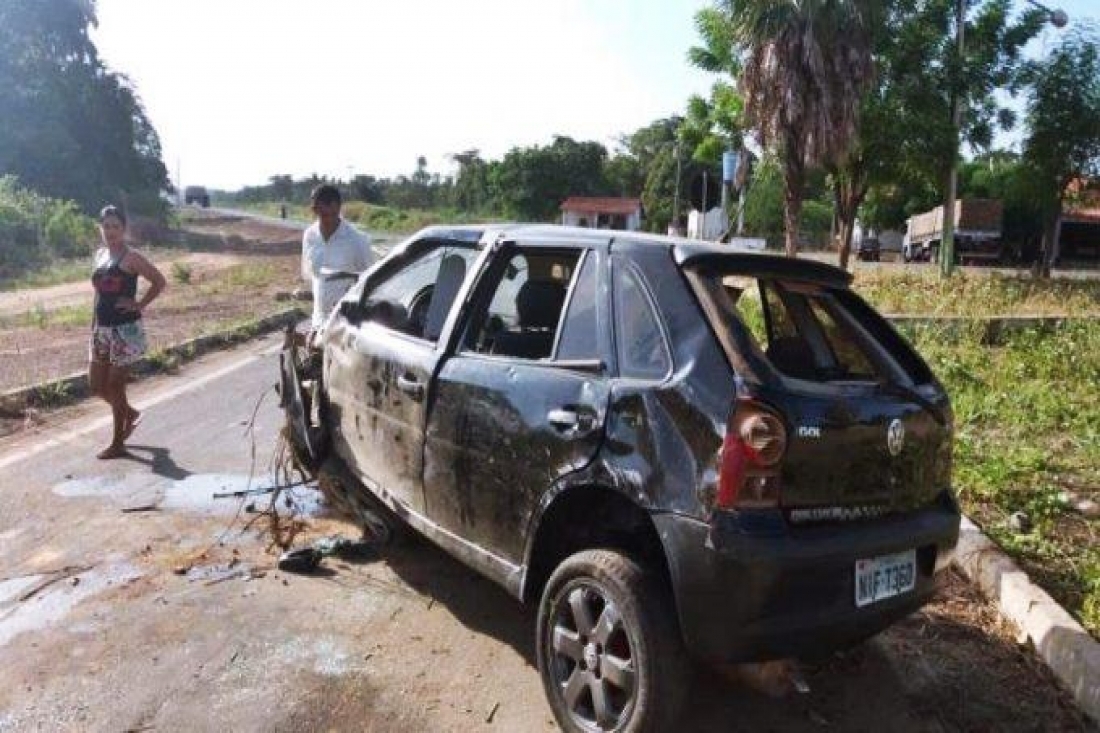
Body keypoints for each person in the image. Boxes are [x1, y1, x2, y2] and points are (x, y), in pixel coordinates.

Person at [88, 205, 166, 459]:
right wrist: (93, 323)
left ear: (123, 229)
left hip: (125, 331)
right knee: (96, 386)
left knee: (115, 385)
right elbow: (99, 293)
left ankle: (118, 443)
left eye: (115, 226)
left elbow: (159, 281)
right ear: (101, 228)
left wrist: (139, 304)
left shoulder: (131, 257)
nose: (110, 231)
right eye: (106, 226)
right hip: (101, 329)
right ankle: (130, 414)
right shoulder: (100, 255)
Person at [301, 184, 373, 344]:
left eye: (332, 214)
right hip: (319, 322)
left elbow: (370, 280)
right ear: (314, 210)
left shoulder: (357, 240)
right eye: (322, 215)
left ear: (339, 208)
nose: (328, 220)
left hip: (347, 324)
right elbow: (313, 278)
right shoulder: (309, 236)